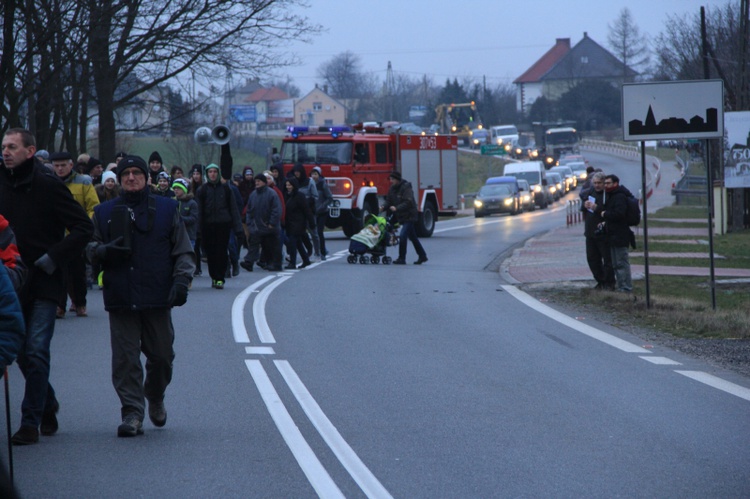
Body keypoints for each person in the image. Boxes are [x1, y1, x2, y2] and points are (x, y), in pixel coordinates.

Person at [86, 155, 195, 437]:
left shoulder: (168, 208)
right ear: (119, 179)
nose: (131, 177)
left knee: (162, 357)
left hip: (157, 294)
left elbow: (182, 250)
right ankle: (132, 413)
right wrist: (99, 252)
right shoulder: (105, 211)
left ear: (147, 177)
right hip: (121, 294)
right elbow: (90, 247)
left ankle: (155, 395)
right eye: (126, 174)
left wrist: (182, 280)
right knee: (125, 359)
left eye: (136, 173)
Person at [0, 128, 93, 445]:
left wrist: (53, 257)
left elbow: (84, 227)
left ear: (30, 150)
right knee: (20, 354)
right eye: (3, 147)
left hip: (44, 280)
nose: (6, 152)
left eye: (13, 146)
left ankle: (30, 422)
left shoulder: (48, 184)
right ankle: (47, 403)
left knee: (37, 350)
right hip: (10, 281)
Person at [50, 151, 100, 318]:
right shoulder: (48, 182)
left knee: (77, 271)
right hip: (56, 235)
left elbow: (93, 206)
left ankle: (80, 303)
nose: (60, 168)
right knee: (58, 271)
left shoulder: (84, 181)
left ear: (71, 165)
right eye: (56, 165)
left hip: (77, 234)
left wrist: (85, 227)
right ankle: (59, 305)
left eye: (63, 165)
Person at [195, 164, 243, 289]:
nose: (213, 174)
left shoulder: (227, 189)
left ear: (218, 173)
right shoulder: (202, 190)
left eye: (215, 171)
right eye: (210, 172)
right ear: (207, 174)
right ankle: (214, 276)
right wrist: (198, 230)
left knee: (221, 252)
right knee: (210, 254)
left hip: (223, 225)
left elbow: (233, 209)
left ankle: (220, 278)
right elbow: (199, 212)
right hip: (208, 226)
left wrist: (238, 229)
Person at [382, 171, 427, 265]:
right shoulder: (392, 189)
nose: (391, 181)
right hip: (402, 215)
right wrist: (383, 207)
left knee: (403, 236)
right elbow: (389, 201)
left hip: (410, 215)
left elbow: (408, 202)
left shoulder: (406, 187)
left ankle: (402, 258)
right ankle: (422, 256)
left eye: (392, 179)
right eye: (390, 179)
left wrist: (396, 208)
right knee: (413, 237)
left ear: (397, 179)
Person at [601, 174, 635, 293]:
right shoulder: (611, 195)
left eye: (608, 183)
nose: (606, 186)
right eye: (605, 183)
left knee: (621, 262)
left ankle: (626, 287)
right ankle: (622, 286)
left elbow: (619, 214)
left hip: (620, 234)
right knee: (615, 263)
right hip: (613, 234)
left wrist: (605, 214)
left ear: (615, 183)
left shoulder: (619, 196)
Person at [241, 174, 281, 272]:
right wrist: (250, 224)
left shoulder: (272, 194)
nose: (257, 183)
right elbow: (249, 210)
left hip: (269, 227)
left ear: (264, 182)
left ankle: (274, 264)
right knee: (254, 245)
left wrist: (272, 223)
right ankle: (249, 262)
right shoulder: (253, 194)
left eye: (259, 181)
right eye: (256, 181)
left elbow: (276, 210)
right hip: (257, 227)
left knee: (270, 246)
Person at [581, 172, 614, 290]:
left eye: (599, 183)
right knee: (592, 259)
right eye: (595, 183)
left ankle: (609, 282)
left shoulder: (608, 195)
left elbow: (610, 212)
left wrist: (597, 208)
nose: (597, 185)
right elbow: (584, 208)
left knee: (607, 260)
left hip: (603, 233)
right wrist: (585, 205)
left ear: (604, 183)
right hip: (590, 232)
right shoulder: (591, 192)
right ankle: (600, 280)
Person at [283, 177, 314, 269]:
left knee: (292, 243)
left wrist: (311, 223)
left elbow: (306, 210)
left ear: (294, 185)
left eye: (290, 185)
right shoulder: (288, 195)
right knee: (298, 243)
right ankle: (306, 260)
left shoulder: (300, 196)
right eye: (287, 185)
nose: (288, 187)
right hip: (290, 223)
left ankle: (292, 262)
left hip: (298, 224)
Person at [172, 178, 198, 258]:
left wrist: (180, 218)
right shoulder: (171, 202)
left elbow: (193, 218)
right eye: (174, 188)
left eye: (178, 188)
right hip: (175, 237)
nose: (176, 190)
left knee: (188, 258)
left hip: (189, 236)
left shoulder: (192, 203)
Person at [310, 166, 332, 261]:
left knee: (319, 231)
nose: (314, 176)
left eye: (316, 174)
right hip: (313, 212)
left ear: (319, 175)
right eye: (312, 174)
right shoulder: (309, 184)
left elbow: (330, 198)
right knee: (314, 233)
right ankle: (317, 251)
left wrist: (323, 206)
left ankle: (322, 252)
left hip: (323, 212)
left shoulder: (323, 184)